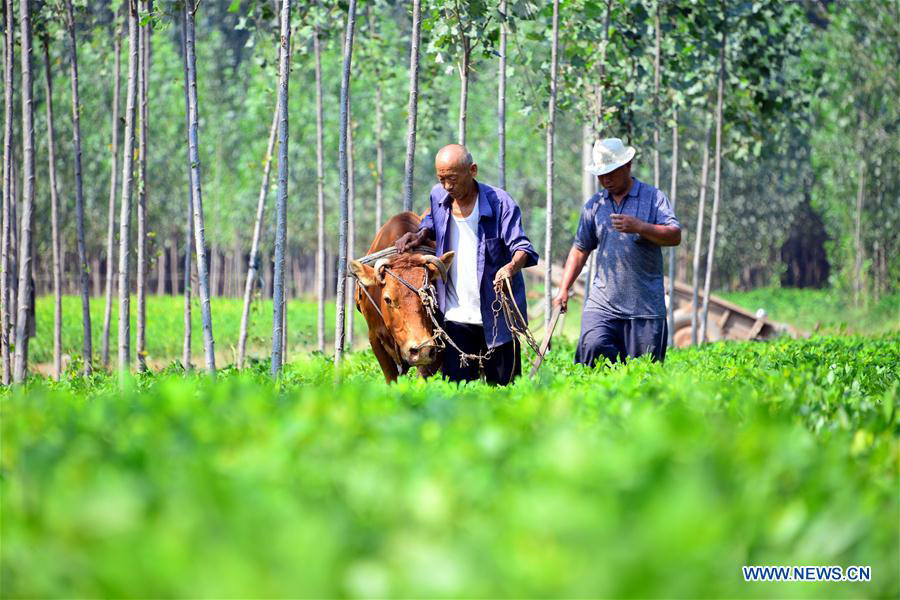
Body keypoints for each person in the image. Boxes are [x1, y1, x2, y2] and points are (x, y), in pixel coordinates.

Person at [395, 144, 538, 385]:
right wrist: (419, 235)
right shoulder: (439, 197)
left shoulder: (501, 203)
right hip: (455, 319)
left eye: (452, 179)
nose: (448, 186)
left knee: (505, 394)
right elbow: (431, 222)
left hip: (497, 318)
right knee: (458, 396)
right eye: (442, 179)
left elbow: (522, 247)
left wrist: (510, 268)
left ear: (472, 170)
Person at [553, 138, 681, 367]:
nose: (605, 179)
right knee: (592, 347)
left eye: (610, 172)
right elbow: (580, 249)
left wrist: (640, 226)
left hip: (645, 310)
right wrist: (564, 288)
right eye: (600, 175)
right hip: (603, 305)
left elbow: (674, 235)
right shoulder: (594, 205)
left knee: (644, 375)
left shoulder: (653, 198)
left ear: (628, 165)